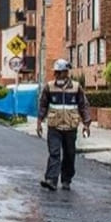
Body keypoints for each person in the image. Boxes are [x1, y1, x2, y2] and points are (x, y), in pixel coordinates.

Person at [37, 59, 91, 191]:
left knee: (69, 154)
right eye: (56, 73)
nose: (58, 75)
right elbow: (43, 105)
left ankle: (66, 179)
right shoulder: (49, 87)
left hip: (70, 127)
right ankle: (51, 180)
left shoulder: (76, 87)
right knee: (54, 153)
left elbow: (83, 106)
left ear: (66, 73)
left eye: (61, 73)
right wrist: (39, 122)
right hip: (54, 126)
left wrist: (86, 124)